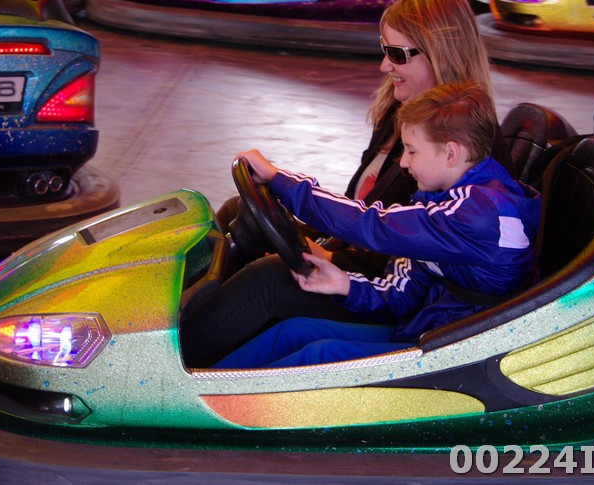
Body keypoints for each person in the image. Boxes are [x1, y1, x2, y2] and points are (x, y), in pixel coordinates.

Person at [179, 0, 515, 367]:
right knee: (239, 212)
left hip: (399, 296)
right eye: (384, 49)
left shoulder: (465, 153)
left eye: (397, 54)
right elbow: (366, 208)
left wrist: (331, 255)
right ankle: (179, 327)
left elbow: (394, 237)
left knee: (269, 280)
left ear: (441, 55)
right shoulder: (402, 113)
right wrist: (322, 241)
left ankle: (165, 368)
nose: (384, 66)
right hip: (372, 259)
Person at [213, 82, 541, 369]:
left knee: (321, 354)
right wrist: (345, 284)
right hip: (429, 328)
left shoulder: (479, 213)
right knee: (293, 332)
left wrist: (279, 180)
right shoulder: (443, 202)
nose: (404, 162)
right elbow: (402, 294)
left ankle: (218, 414)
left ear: (451, 153)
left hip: (455, 355)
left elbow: (372, 224)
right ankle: (197, 395)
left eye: (412, 150)